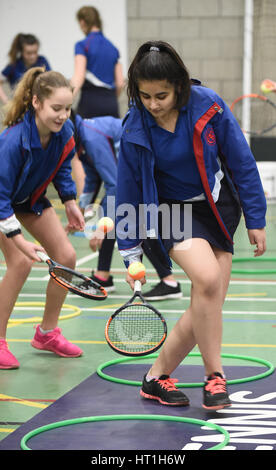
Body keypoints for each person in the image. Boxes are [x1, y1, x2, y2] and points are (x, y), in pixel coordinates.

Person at [115, 41, 267, 410]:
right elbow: (127, 189)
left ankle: (155, 378)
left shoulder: (208, 104)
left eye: (161, 95)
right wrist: (130, 252)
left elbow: (242, 161)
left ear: (180, 85)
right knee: (209, 279)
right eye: (145, 96)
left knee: (207, 301)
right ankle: (215, 378)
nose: (153, 104)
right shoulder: (136, 127)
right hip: (171, 213)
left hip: (217, 209)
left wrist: (256, 218)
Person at [0, 67, 85, 370]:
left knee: (66, 256)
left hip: (29, 201)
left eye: (67, 108)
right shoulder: (12, 141)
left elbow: (62, 169)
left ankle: (47, 333)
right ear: (36, 103)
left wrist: (70, 201)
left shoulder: (65, 132)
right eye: (56, 108)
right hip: (3, 204)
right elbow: (1, 197)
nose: (63, 115)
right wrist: (19, 240)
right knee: (20, 262)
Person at [70, 111, 182, 298]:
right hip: (131, 173)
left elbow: (114, 185)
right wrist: (81, 210)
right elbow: (92, 179)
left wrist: (100, 227)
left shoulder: (91, 139)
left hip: (143, 171)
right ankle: (102, 276)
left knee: (129, 223)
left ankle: (169, 281)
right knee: (116, 221)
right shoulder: (81, 139)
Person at [71, 6, 125, 119]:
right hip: (111, 103)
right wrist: (110, 98)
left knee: (83, 136)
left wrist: (66, 101)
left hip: (90, 103)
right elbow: (120, 83)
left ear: (82, 22)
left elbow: (79, 77)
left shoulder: (82, 45)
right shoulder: (112, 47)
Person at [0, 33, 51, 105]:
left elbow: (51, 81)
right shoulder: (14, 65)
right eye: (29, 53)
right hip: (20, 105)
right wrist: (6, 101)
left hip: (39, 104)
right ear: (21, 52)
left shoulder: (42, 61)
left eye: (35, 52)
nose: (32, 56)